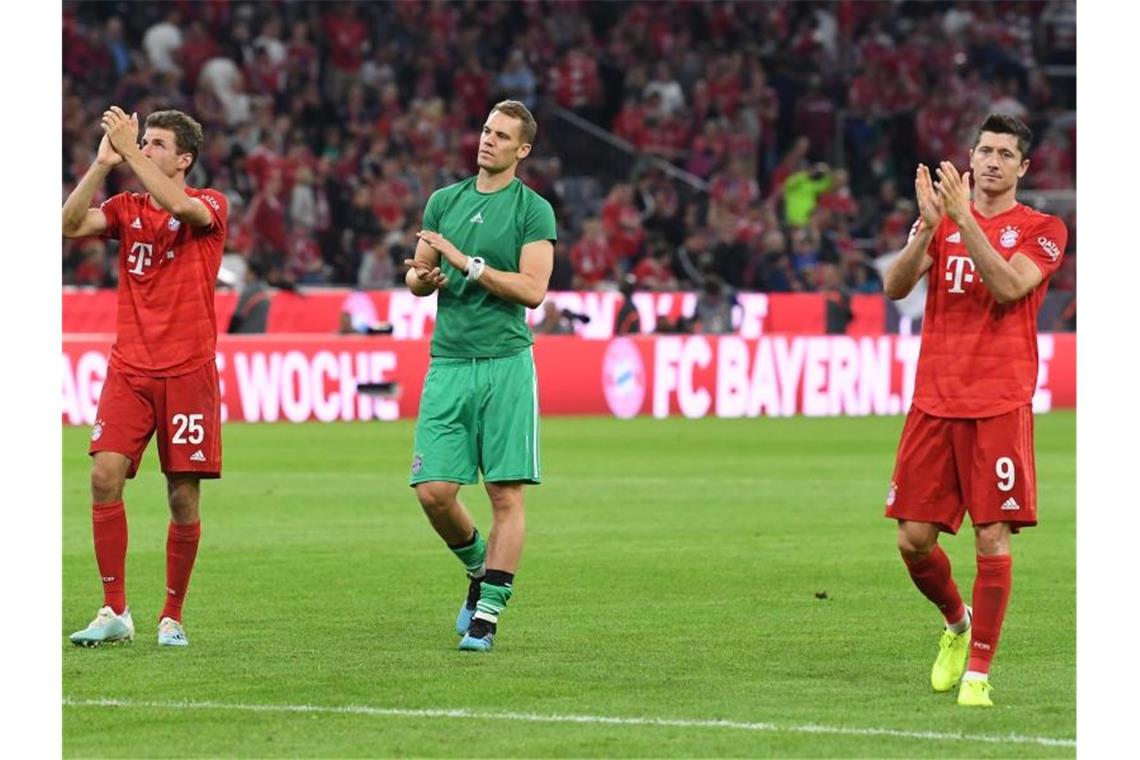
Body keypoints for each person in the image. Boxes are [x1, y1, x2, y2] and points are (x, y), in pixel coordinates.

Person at [882, 113, 1068, 707]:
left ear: (1023, 167)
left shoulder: (1044, 228)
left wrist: (963, 221)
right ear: (970, 155)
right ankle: (956, 623)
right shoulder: (941, 221)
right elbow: (894, 287)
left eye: (1004, 154)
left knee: (993, 539)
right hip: (934, 400)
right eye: (983, 150)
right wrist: (925, 233)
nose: (991, 161)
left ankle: (978, 676)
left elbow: (1011, 286)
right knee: (913, 541)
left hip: (999, 402)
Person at [61, 108, 228, 648]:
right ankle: (114, 610)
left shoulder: (209, 204)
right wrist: (103, 162)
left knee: (182, 497)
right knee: (103, 476)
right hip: (129, 369)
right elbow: (67, 225)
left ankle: (171, 615)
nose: (146, 149)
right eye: (144, 141)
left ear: (185, 159)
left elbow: (180, 205)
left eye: (157, 144)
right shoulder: (126, 208)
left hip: (188, 371)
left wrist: (129, 150)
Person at [403, 100, 557, 652]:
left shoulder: (533, 211)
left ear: (523, 150)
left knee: (504, 494)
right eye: (486, 130)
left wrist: (467, 265)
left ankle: (488, 614)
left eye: (501, 135)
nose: (487, 140)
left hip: (505, 363)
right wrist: (424, 277)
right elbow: (419, 274)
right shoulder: (445, 200)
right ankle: (477, 568)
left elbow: (534, 290)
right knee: (434, 492)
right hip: (449, 361)